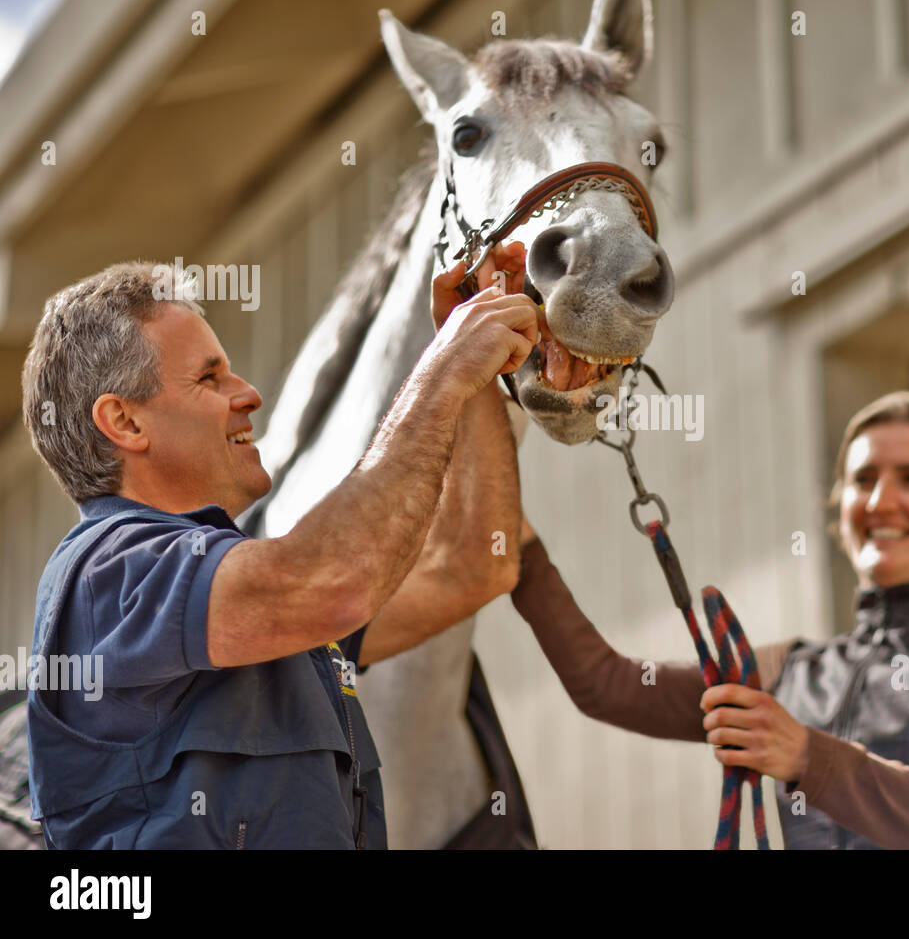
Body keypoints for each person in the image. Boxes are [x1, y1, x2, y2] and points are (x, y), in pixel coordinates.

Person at [19, 245, 538, 849]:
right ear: (125, 423)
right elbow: (335, 583)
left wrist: (474, 377)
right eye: (209, 377)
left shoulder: (263, 611)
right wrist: (442, 372)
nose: (248, 394)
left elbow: (476, 569)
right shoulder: (110, 569)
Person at [511, 391, 909, 848]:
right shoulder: (791, 670)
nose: (881, 501)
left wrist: (807, 754)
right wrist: (518, 545)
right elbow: (607, 686)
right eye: (864, 479)